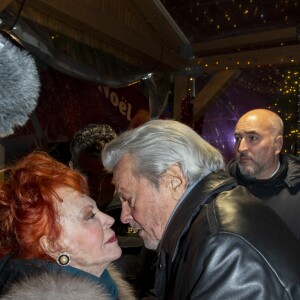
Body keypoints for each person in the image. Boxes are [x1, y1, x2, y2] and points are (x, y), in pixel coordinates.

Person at [101, 119, 300, 300]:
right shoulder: (203, 224)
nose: (124, 216)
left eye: (129, 199)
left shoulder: (224, 245)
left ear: (173, 180)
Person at [0, 151, 136, 299]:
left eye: (98, 210)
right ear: (53, 245)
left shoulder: (104, 283)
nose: (109, 219)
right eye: (89, 216)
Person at [69, 124, 156, 299]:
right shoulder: (54, 218)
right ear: (71, 169)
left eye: (107, 176)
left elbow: (157, 287)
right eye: (87, 175)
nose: (98, 186)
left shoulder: (139, 215)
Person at [227, 108, 300, 240]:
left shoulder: (296, 191)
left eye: (252, 138)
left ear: (277, 144)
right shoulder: (218, 187)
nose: (241, 148)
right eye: (238, 138)